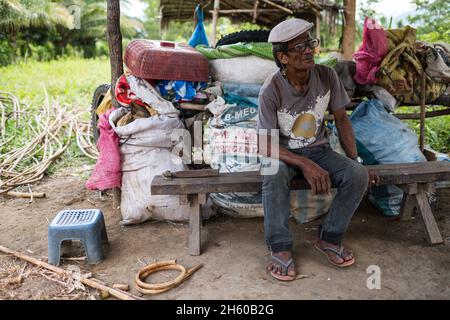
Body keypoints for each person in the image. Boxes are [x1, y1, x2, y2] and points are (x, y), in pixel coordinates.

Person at [257, 18, 379, 281]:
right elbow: (265, 143)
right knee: (272, 173)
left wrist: (355, 160)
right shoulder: (271, 89)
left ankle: (329, 238)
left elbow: (343, 119)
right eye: (299, 47)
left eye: (310, 43)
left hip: (319, 150)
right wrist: (304, 164)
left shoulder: (327, 76)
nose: (309, 50)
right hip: (281, 152)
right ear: (283, 57)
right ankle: (279, 247)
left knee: (357, 174)